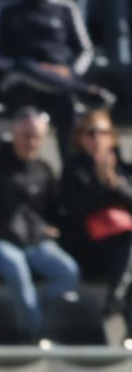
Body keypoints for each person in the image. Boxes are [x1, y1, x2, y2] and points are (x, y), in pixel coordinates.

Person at [0, 109, 82, 335]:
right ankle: (34, 335)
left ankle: (37, 312)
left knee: (68, 271)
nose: (31, 142)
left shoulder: (43, 170)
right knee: (16, 268)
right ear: (14, 134)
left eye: (37, 136)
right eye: (26, 135)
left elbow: (54, 210)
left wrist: (48, 228)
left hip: (35, 242)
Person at [0, 0, 106, 140]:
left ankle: (70, 167)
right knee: (28, 110)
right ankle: (82, 89)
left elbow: (85, 50)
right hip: (21, 79)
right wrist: (29, 68)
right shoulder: (6, 10)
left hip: (60, 80)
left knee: (71, 118)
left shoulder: (66, 7)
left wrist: (69, 70)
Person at [59, 110, 132, 326]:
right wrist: (98, 184)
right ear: (79, 138)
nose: (96, 138)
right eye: (90, 133)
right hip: (88, 246)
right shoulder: (73, 171)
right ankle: (116, 295)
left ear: (112, 136)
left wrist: (114, 183)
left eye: (102, 132)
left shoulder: (124, 170)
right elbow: (74, 213)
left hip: (121, 249)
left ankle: (121, 306)